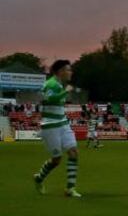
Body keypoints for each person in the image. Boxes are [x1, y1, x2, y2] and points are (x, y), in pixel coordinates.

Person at [32, 60, 83, 198]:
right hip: (50, 125)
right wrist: (64, 92)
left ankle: (70, 189)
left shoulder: (59, 84)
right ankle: (39, 178)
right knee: (57, 160)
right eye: (68, 69)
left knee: (73, 153)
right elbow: (48, 100)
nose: (71, 72)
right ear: (60, 71)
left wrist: (64, 92)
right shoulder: (51, 84)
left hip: (63, 123)